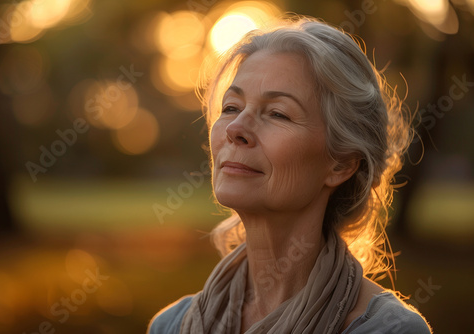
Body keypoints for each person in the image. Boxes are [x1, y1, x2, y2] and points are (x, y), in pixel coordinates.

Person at [148, 17, 432, 334]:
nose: (235, 129)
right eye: (231, 107)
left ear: (341, 164)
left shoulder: (388, 330)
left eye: (278, 113)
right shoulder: (172, 325)